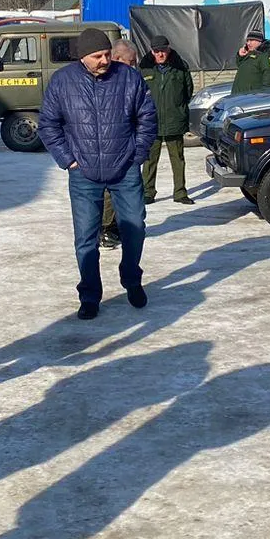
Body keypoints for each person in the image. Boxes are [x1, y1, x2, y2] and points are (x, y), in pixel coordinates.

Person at [39, 27, 156, 320]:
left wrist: (137, 155)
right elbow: (48, 125)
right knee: (85, 239)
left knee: (135, 229)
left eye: (107, 54)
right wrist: (69, 161)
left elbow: (147, 118)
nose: (105, 60)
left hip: (124, 169)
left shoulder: (129, 78)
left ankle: (132, 280)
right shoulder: (63, 82)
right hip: (83, 174)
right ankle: (90, 294)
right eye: (97, 56)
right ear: (82, 57)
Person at [100, 40, 146, 248]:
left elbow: (145, 115)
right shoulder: (106, 83)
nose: (134, 65)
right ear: (117, 59)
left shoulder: (133, 80)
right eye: (131, 61)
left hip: (130, 148)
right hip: (109, 150)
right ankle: (105, 229)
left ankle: (118, 226)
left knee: (130, 194)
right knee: (110, 192)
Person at [141, 35, 195, 205]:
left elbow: (188, 91)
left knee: (177, 159)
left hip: (174, 119)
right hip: (151, 121)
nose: (160, 54)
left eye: (163, 50)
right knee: (149, 159)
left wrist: (178, 108)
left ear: (168, 49)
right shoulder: (144, 68)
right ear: (152, 51)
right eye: (157, 51)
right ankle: (147, 192)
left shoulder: (180, 67)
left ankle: (180, 193)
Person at [230, 28, 270, 95]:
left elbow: (269, 81)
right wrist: (240, 56)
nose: (248, 43)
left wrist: (259, 98)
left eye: (251, 40)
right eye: (247, 41)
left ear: (259, 41)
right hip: (239, 97)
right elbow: (241, 66)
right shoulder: (252, 52)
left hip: (250, 98)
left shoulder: (267, 55)